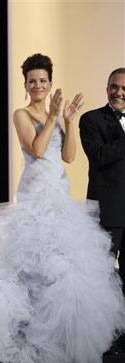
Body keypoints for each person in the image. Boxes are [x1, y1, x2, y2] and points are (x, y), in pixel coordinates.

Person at [0, 54, 125, 363]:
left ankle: (60, 343)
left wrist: (69, 123)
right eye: (32, 81)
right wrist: (54, 115)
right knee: (31, 266)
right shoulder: (22, 114)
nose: (38, 86)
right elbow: (38, 150)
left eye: (43, 80)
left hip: (59, 192)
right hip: (35, 194)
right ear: (25, 84)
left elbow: (70, 156)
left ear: (50, 82)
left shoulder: (57, 115)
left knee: (64, 272)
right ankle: (26, 337)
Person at [79, 69, 125, 298]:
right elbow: (99, 155)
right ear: (107, 89)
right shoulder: (91, 119)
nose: (119, 92)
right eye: (114, 87)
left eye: (124, 89)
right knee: (102, 276)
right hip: (108, 210)